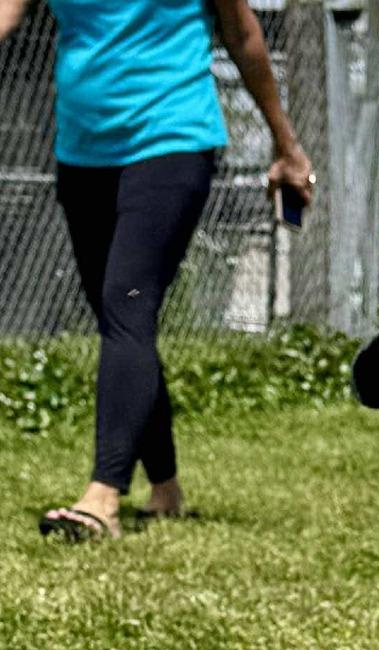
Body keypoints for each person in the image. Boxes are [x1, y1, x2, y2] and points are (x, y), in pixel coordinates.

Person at [0, 0, 313, 540]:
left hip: (172, 139)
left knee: (127, 304)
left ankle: (103, 496)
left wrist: (286, 145)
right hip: (82, 150)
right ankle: (165, 489)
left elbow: (243, 37)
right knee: (122, 321)